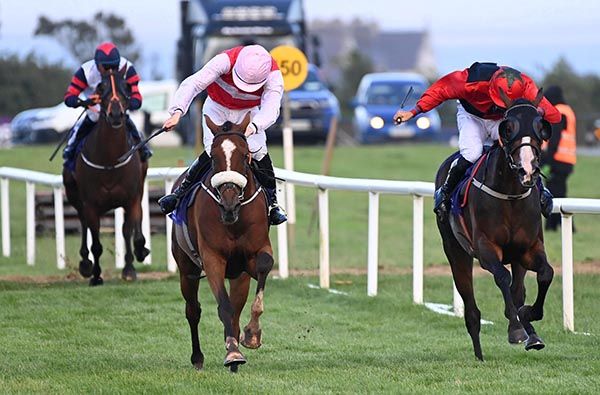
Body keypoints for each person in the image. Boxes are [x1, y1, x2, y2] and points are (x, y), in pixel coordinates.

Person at [393, 62, 561, 220]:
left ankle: (540, 189)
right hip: (471, 116)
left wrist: (538, 110)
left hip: (499, 119)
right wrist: (413, 112)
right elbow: (440, 90)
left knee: (520, 148)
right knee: (472, 153)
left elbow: (555, 115)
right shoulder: (469, 81)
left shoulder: (525, 84)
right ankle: (444, 192)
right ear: (492, 88)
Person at [157, 44, 287, 225]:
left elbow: (271, 108)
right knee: (214, 150)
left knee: (258, 151)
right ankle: (180, 193)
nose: (244, 89)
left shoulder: (274, 76)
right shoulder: (224, 60)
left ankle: (273, 204)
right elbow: (194, 83)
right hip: (217, 108)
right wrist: (177, 112)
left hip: (248, 112)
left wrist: (253, 127)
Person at [62, 42, 152, 163]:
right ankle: (71, 148)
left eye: (114, 67)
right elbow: (69, 97)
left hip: (117, 109)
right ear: (97, 65)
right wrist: (85, 102)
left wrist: (126, 104)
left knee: (127, 121)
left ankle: (142, 148)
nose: (110, 71)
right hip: (95, 111)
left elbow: (137, 98)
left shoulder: (127, 69)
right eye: (106, 67)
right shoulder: (85, 72)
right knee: (89, 121)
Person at [541, 85, 576, 231]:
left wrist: (547, 161)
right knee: (559, 191)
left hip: (557, 159)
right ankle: (555, 224)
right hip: (567, 159)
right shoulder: (568, 110)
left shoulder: (559, 111)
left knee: (555, 193)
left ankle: (558, 225)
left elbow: (554, 139)